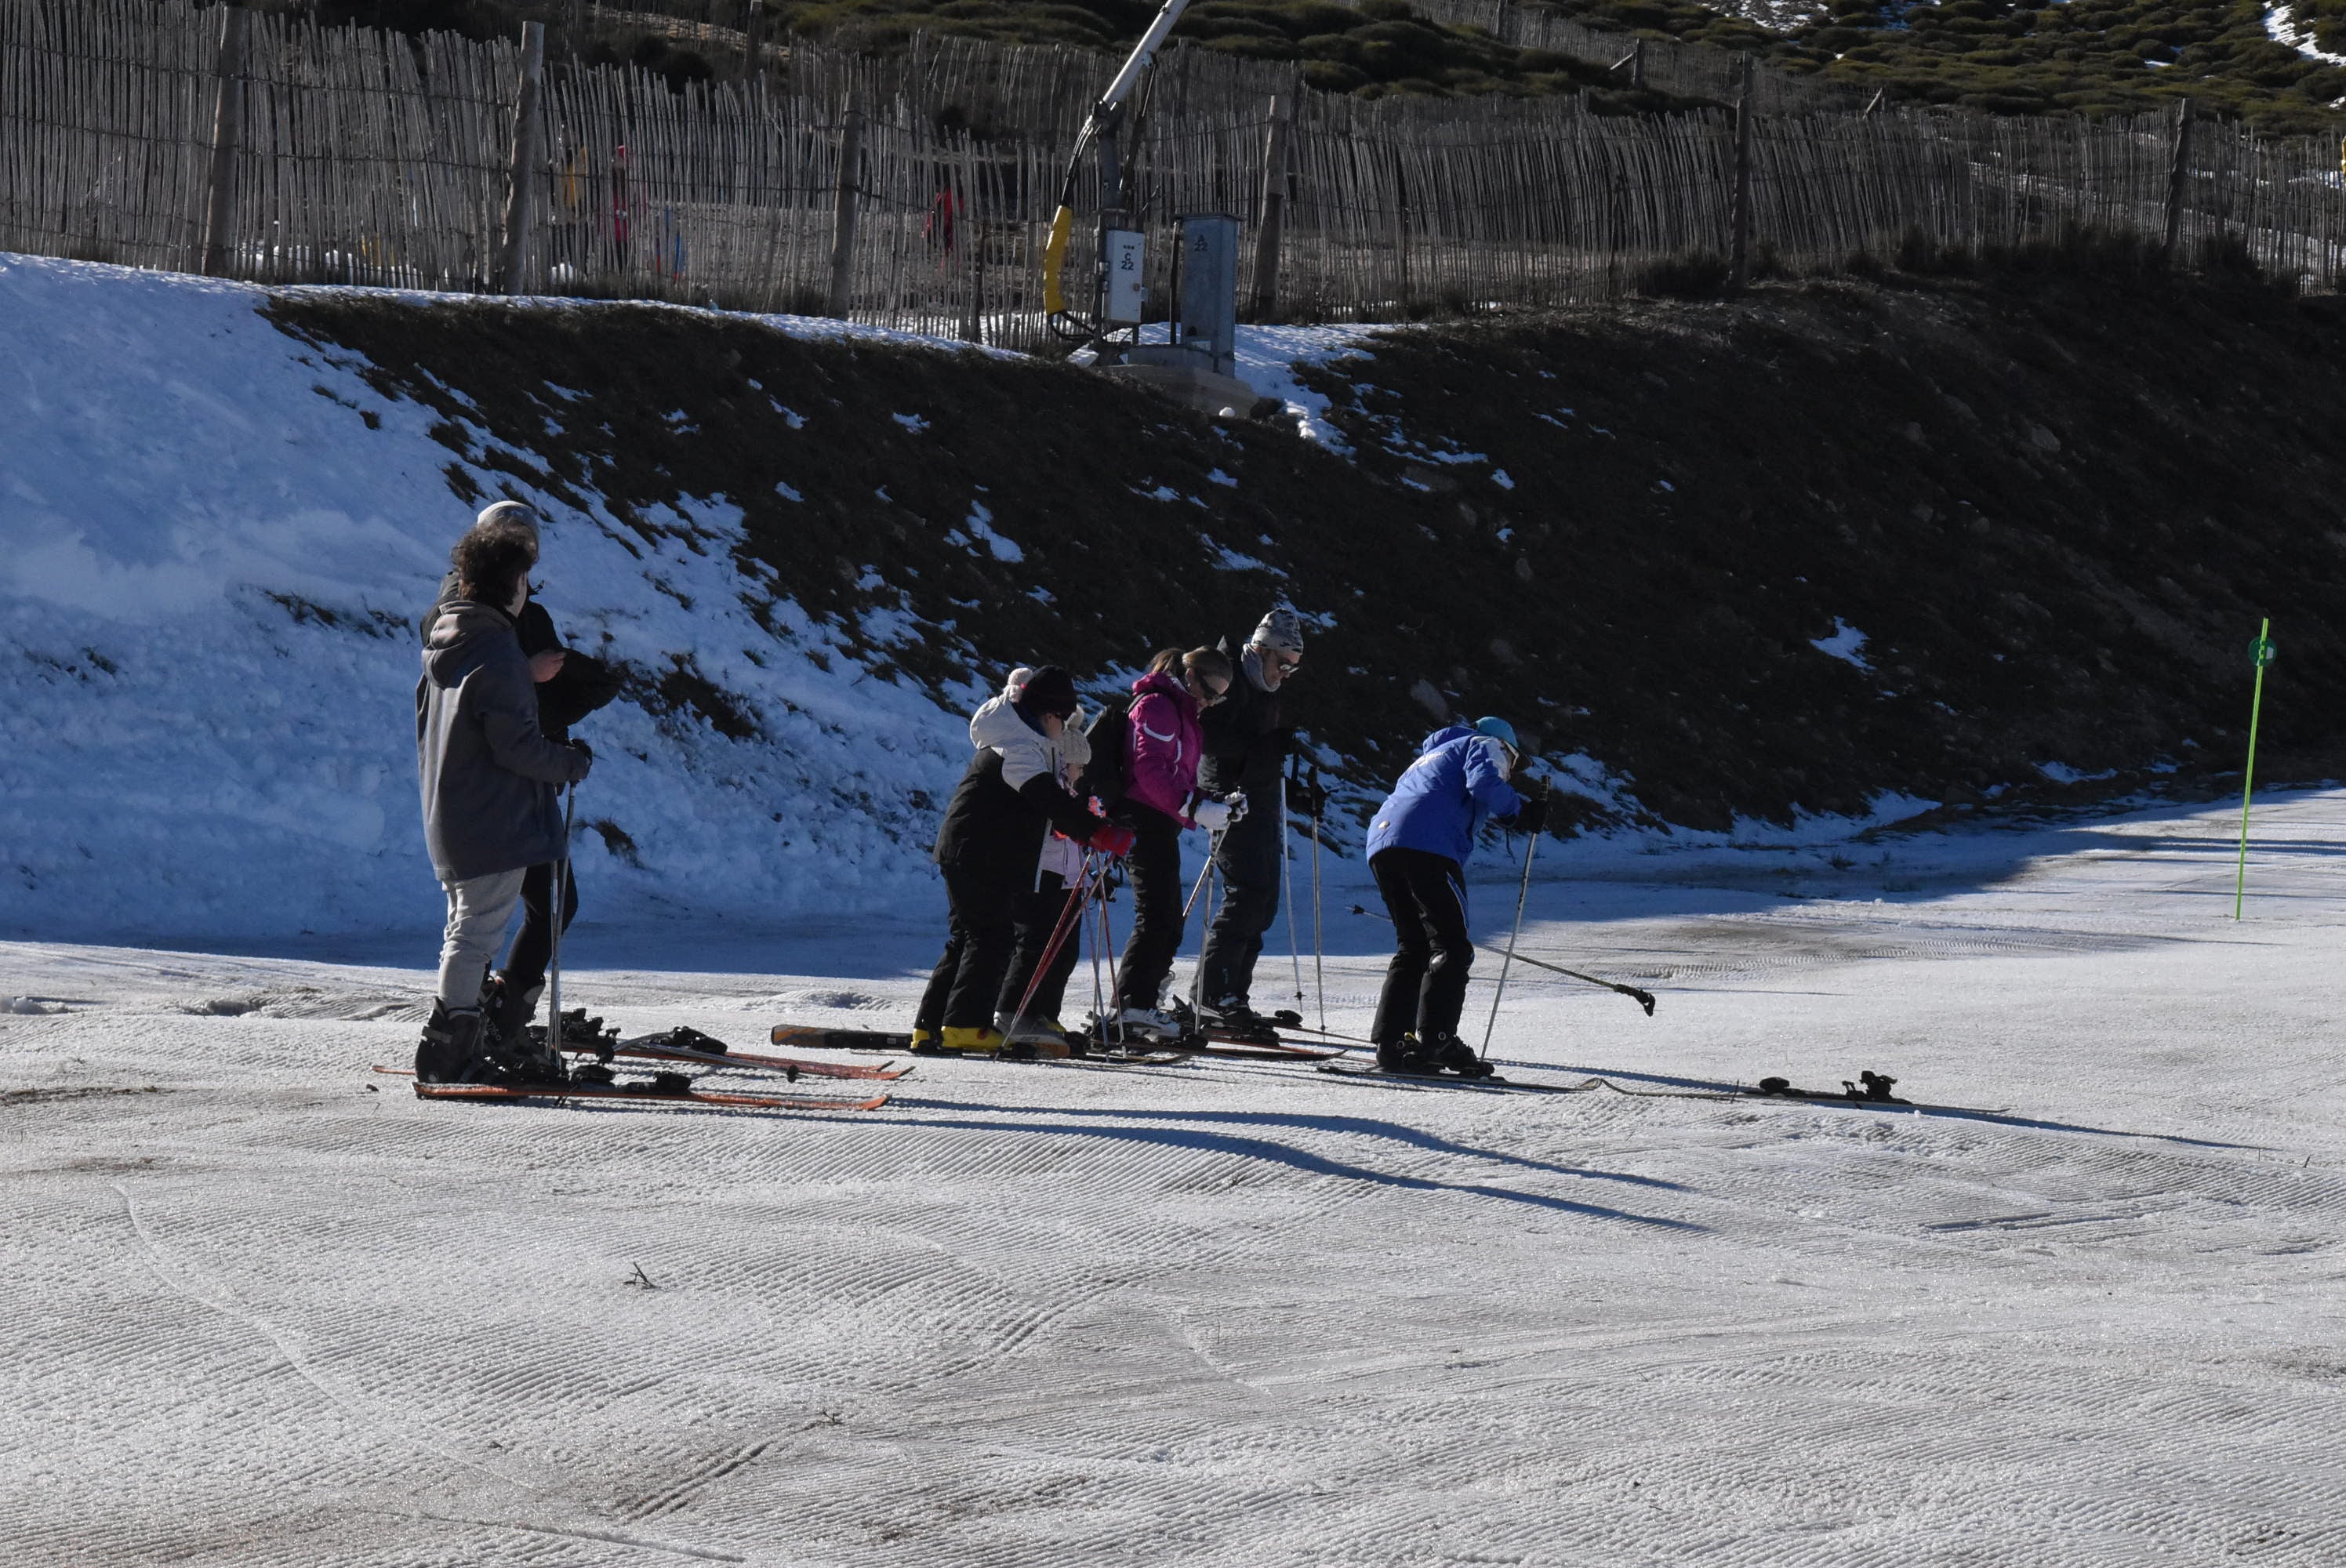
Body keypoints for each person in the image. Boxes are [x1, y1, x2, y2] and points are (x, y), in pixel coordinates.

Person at [423, 501, 622, 1044]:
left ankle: (497, 1013)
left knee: (541, 905)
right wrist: (533, 691)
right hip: (499, 792)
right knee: (483, 923)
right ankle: (469, 1030)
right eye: (517, 546)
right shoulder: (467, 612)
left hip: (520, 785)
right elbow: (492, 703)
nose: (526, 561)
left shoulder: (507, 609)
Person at [921, 666, 1134, 1055]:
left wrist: (1088, 825)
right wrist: (1095, 831)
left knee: (967, 938)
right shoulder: (1018, 747)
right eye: (1064, 720)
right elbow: (1045, 797)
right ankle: (965, 1024)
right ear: (1050, 715)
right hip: (978, 852)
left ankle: (930, 1026)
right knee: (990, 937)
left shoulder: (1023, 739)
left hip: (976, 851)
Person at [1364, 716, 1546, 1077]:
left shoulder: (1433, 755)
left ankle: (1393, 1042)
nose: (1512, 770)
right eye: (1514, 764)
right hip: (1429, 846)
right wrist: (1521, 813)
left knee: (1414, 945)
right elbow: (1484, 781)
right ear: (1507, 749)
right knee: (1452, 946)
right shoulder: (1485, 744)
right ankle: (1437, 1039)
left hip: (1383, 844)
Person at [1109, 648, 1238, 1040]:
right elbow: (1148, 768)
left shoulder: (1181, 712)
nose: (1210, 702)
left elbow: (1176, 773)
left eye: (1219, 697)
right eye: (1210, 692)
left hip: (1160, 820)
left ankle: (1140, 1004)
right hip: (1141, 817)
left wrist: (1211, 800)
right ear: (1191, 676)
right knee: (1158, 916)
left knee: (1167, 920)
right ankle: (1132, 1006)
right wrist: (1193, 806)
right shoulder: (1157, 705)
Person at [1195, 606, 1305, 1031]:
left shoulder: (1263, 685)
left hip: (1258, 801)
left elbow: (1261, 751)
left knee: (1264, 903)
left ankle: (1233, 994)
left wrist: (1289, 785)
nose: (1285, 674)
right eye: (1283, 664)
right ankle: (1212, 996)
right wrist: (1263, 750)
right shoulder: (1227, 678)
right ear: (1261, 650)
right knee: (1245, 896)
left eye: (1293, 669)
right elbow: (1209, 738)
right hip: (1228, 800)